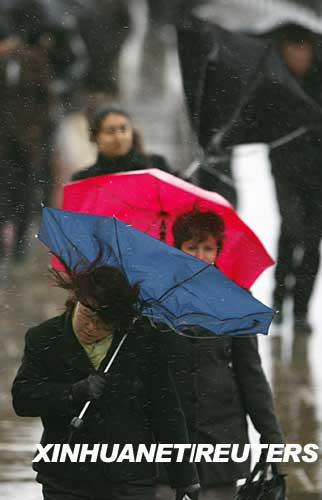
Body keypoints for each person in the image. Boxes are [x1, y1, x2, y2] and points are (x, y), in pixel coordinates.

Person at [12, 262, 200, 500]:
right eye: (87, 314)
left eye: (104, 322)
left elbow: (166, 411)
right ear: (76, 300)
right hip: (66, 477)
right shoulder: (45, 337)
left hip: (129, 477)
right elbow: (23, 397)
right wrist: (71, 392)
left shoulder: (142, 341)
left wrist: (185, 477)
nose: (91, 327)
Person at [157, 209, 284, 500]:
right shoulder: (156, 300)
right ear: (177, 249)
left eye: (208, 248)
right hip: (165, 432)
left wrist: (271, 435)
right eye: (192, 247)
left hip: (220, 433)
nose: (200, 256)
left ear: (218, 251)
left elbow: (249, 372)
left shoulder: (236, 301)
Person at [72, 105, 171, 181]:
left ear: (132, 132)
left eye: (123, 129)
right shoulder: (84, 180)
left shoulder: (156, 167)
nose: (118, 137)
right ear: (95, 137)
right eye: (110, 131)